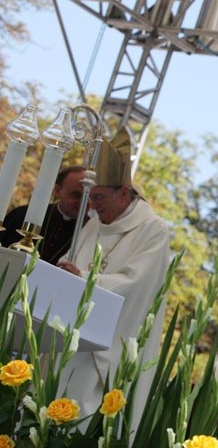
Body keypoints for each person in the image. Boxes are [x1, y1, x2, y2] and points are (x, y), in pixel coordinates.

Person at [57, 128, 171, 423]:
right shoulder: (95, 225)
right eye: (91, 198)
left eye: (100, 197)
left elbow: (136, 285)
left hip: (103, 352)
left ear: (123, 192)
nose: (93, 206)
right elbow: (72, 263)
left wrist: (82, 277)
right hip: (68, 341)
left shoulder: (153, 229)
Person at [0, 165, 88, 265]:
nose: (83, 202)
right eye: (76, 195)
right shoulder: (22, 215)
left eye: (88, 197)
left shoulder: (90, 232)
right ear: (58, 191)